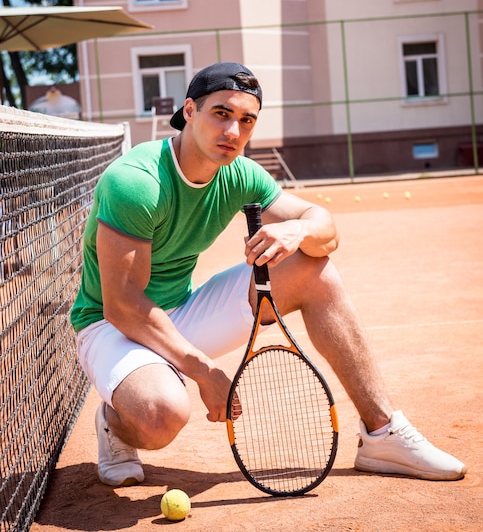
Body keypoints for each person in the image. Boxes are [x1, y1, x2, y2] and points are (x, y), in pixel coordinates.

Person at [71, 62, 467, 488]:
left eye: (246, 121)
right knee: (159, 414)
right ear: (189, 111)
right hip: (111, 325)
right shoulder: (137, 181)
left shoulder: (239, 174)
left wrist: (298, 229)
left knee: (314, 269)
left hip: (181, 312)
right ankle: (114, 421)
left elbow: (324, 229)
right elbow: (123, 305)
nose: (234, 132)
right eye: (221, 114)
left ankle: (382, 433)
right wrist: (204, 371)